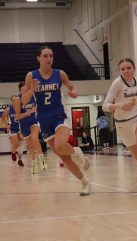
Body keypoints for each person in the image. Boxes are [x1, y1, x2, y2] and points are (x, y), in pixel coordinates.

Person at [21, 46, 91, 196]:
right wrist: (32, 89)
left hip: (59, 114)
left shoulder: (59, 74)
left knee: (60, 145)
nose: (49, 58)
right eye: (45, 56)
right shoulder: (31, 76)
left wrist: (73, 92)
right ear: (38, 58)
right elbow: (24, 100)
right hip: (44, 119)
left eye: (51, 56)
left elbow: (72, 87)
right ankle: (84, 182)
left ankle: (76, 151)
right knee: (62, 156)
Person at [102, 58, 137, 191]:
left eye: (129, 68)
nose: (126, 71)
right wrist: (119, 105)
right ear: (120, 71)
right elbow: (105, 106)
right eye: (123, 69)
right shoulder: (117, 84)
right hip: (122, 123)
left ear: (134, 69)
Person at [12, 82, 47, 174]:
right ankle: (34, 164)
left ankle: (42, 159)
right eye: (23, 89)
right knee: (30, 146)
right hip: (24, 125)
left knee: (35, 138)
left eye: (27, 89)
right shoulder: (16, 99)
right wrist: (30, 111)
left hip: (34, 121)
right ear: (20, 90)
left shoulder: (33, 95)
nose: (26, 91)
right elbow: (17, 117)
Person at [1, 97, 24, 167]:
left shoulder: (21, 108)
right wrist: (7, 125)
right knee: (16, 144)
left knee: (20, 146)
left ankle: (20, 160)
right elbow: (3, 117)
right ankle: (13, 153)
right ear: (12, 101)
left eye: (17, 100)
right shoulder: (9, 109)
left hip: (21, 128)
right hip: (12, 128)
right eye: (14, 100)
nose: (16, 101)